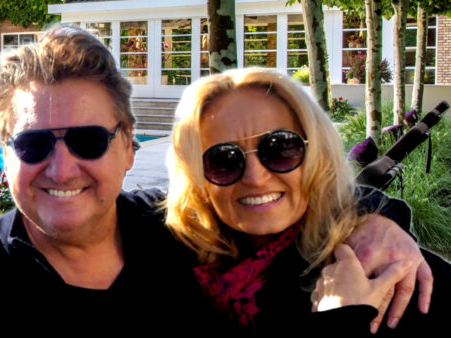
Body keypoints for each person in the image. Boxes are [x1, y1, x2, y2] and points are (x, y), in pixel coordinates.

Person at [0, 26, 430, 337]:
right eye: (33, 144)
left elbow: (291, 198)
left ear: (128, 146)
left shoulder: (172, 231)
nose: (61, 168)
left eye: (89, 141)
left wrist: (378, 221)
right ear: (5, 153)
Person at [164, 67, 449, 335]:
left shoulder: (392, 273)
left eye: (280, 147)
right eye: (222, 159)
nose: (255, 178)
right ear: (195, 176)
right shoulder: (167, 253)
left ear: (317, 155)